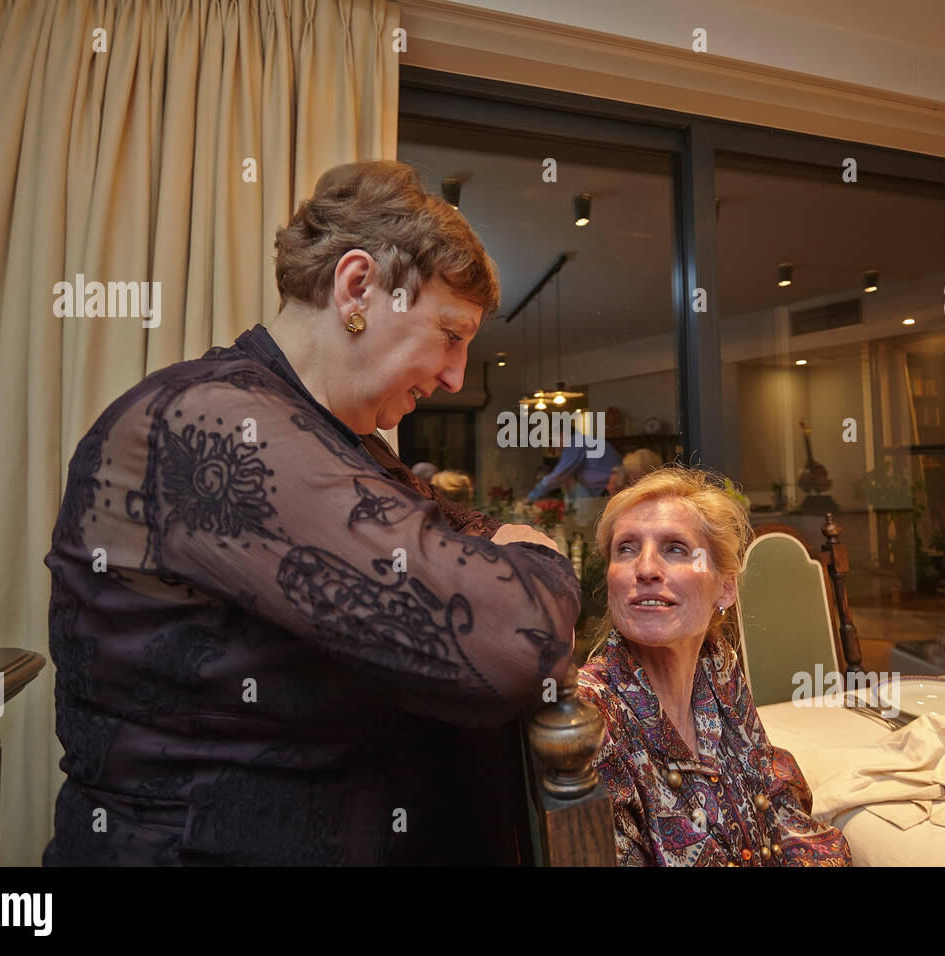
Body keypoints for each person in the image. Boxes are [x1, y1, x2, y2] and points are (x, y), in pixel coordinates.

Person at [42, 160, 579, 866]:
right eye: (451, 334)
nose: (455, 376)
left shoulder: (338, 440)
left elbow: (459, 543)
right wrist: (538, 554)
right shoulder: (210, 423)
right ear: (358, 287)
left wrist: (502, 553)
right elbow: (512, 640)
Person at [576, 466, 851, 866]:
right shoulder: (592, 717)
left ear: (724, 587)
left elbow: (780, 810)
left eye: (674, 548)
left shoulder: (718, 669)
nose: (646, 568)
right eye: (627, 549)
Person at [525, 418, 622, 501]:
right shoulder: (585, 440)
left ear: (562, 435)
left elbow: (559, 475)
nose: (553, 445)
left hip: (607, 491)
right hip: (609, 490)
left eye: (553, 440)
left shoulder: (575, 442)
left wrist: (530, 497)